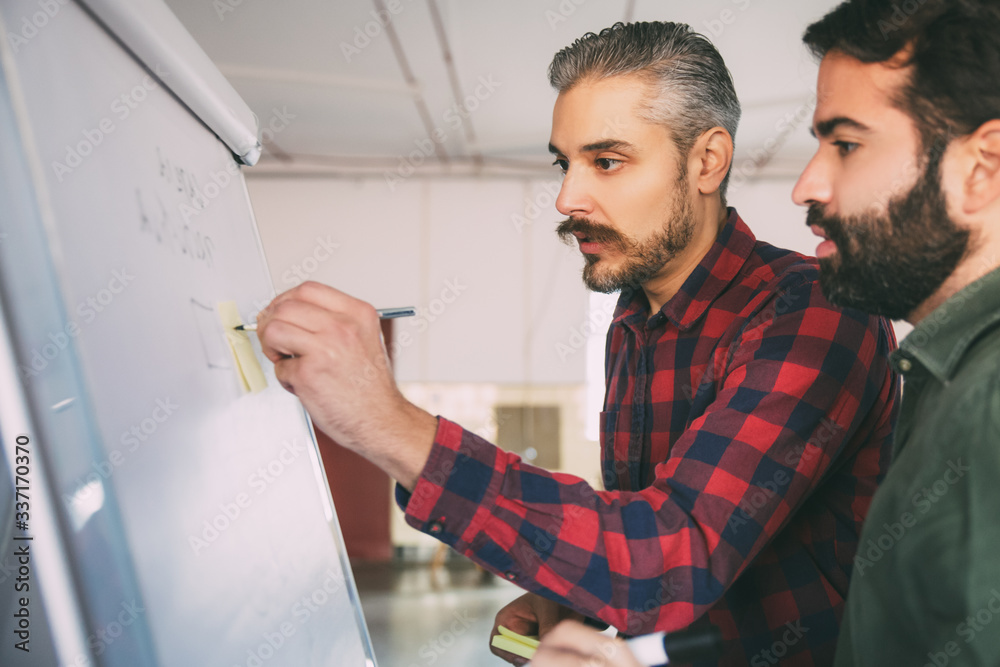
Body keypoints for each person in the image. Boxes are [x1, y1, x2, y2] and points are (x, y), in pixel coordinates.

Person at [256, 22, 899, 666]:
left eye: (607, 161)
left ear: (707, 161)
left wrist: (387, 424)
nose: (567, 197)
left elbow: (675, 554)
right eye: (566, 163)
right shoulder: (632, 317)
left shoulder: (813, 307)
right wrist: (574, 598)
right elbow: (648, 513)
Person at [529, 0, 1000, 665]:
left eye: (846, 143)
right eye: (565, 164)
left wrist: (403, 433)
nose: (805, 183)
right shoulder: (942, 371)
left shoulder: (970, 388)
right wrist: (595, 608)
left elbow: (676, 552)